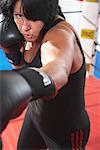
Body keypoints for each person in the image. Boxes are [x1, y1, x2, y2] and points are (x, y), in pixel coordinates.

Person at [0, 0, 90, 149]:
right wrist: (13, 55)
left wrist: (23, 83)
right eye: (19, 16)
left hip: (66, 128)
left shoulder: (60, 35)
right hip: (36, 116)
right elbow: (22, 67)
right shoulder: (24, 32)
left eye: (33, 18)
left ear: (45, 13)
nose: (24, 27)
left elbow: (58, 68)